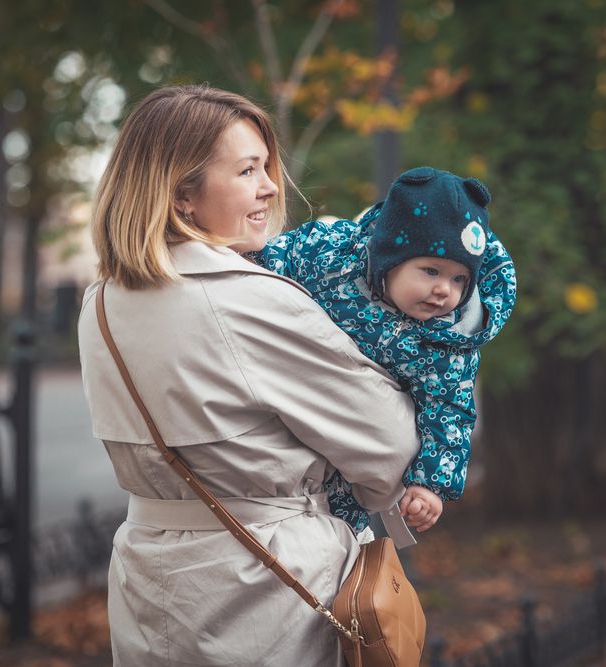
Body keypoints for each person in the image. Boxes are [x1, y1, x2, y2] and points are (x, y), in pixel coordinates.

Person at [77, 84, 419, 666]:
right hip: (267, 589)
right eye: (247, 170)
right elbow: (389, 444)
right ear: (182, 194)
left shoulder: (102, 303)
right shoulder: (247, 300)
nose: (269, 187)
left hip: (149, 582)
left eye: (267, 167)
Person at [253, 167, 517, 536]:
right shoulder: (336, 259)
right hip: (290, 400)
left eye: (459, 279)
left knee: (335, 526)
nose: (444, 290)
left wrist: (430, 485)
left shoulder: (445, 344)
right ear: (389, 257)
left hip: (354, 450)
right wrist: (249, 261)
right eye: (430, 270)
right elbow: (285, 253)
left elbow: (450, 412)